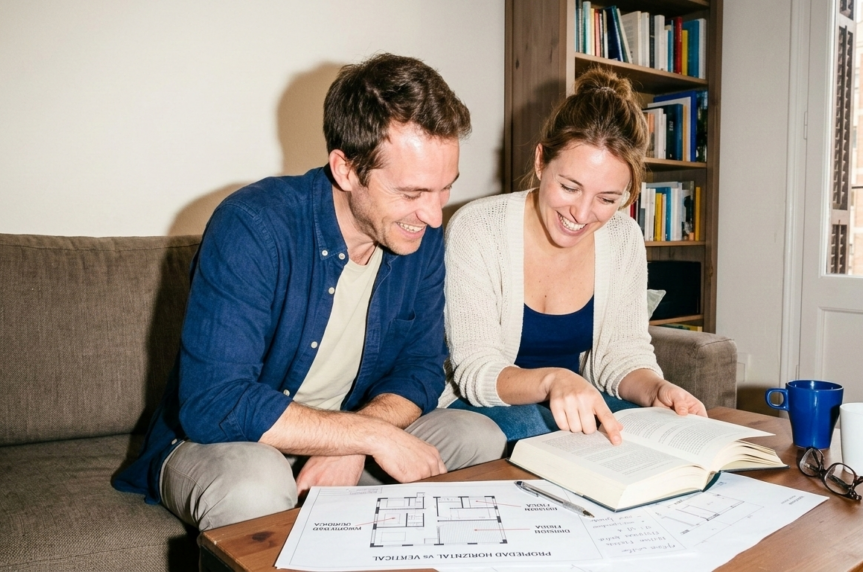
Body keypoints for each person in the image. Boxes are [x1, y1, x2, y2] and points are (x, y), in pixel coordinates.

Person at [114, 53, 505, 531]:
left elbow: (420, 369)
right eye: (411, 193)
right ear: (346, 169)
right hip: (231, 443)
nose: (433, 215)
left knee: (478, 436)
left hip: (349, 428)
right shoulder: (252, 226)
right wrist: (364, 437)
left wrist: (356, 440)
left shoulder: (419, 240)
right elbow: (215, 401)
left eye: (445, 188)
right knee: (257, 484)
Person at [441, 68, 706, 448]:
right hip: (485, 403)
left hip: (573, 403)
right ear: (540, 162)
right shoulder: (478, 227)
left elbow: (622, 355)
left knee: (660, 442)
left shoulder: (624, 236)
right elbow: (475, 371)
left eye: (607, 199)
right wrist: (554, 381)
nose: (581, 214)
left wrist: (657, 390)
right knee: (542, 433)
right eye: (569, 187)